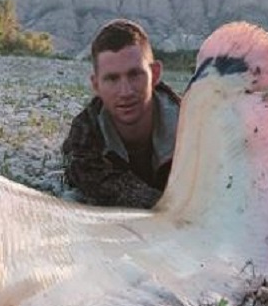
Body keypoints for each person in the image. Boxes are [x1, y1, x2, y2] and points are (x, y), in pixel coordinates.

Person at [61, 19, 181, 208]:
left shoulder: (192, 126)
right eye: (112, 79)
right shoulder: (84, 133)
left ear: (155, 74)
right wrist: (164, 205)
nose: (125, 92)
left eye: (135, 75)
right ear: (96, 85)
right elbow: (93, 183)